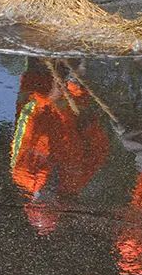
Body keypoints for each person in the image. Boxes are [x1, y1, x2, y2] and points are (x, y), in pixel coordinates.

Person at [11, 60, 109, 236]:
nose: (46, 197)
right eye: (50, 205)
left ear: (32, 201)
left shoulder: (22, 174)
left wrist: (48, 99)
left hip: (39, 86)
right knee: (79, 52)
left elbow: (24, 121)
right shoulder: (75, 183)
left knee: (42, 41)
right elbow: (99, 152)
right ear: (59, 205)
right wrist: (90, 126)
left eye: (41, 202)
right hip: (74, 95)